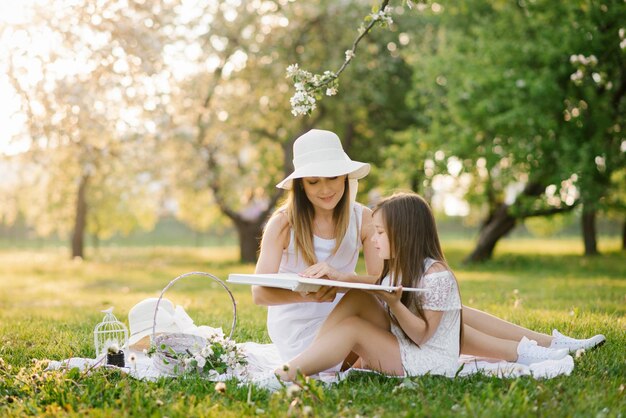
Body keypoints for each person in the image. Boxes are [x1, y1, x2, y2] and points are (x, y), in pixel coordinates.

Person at [252, 129, 605, 374]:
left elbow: (378, 280)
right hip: (309, 338)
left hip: (359, 315)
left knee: (444, 310)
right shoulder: (283, 224)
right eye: (314, 182)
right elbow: (259, 293)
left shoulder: (361, 218)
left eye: (333, 178)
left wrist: (342, 279)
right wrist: (313, 297)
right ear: (300, 186)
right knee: (440, 319)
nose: (325, 189)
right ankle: (531, 352)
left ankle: (550, 343)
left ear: (346, 178)